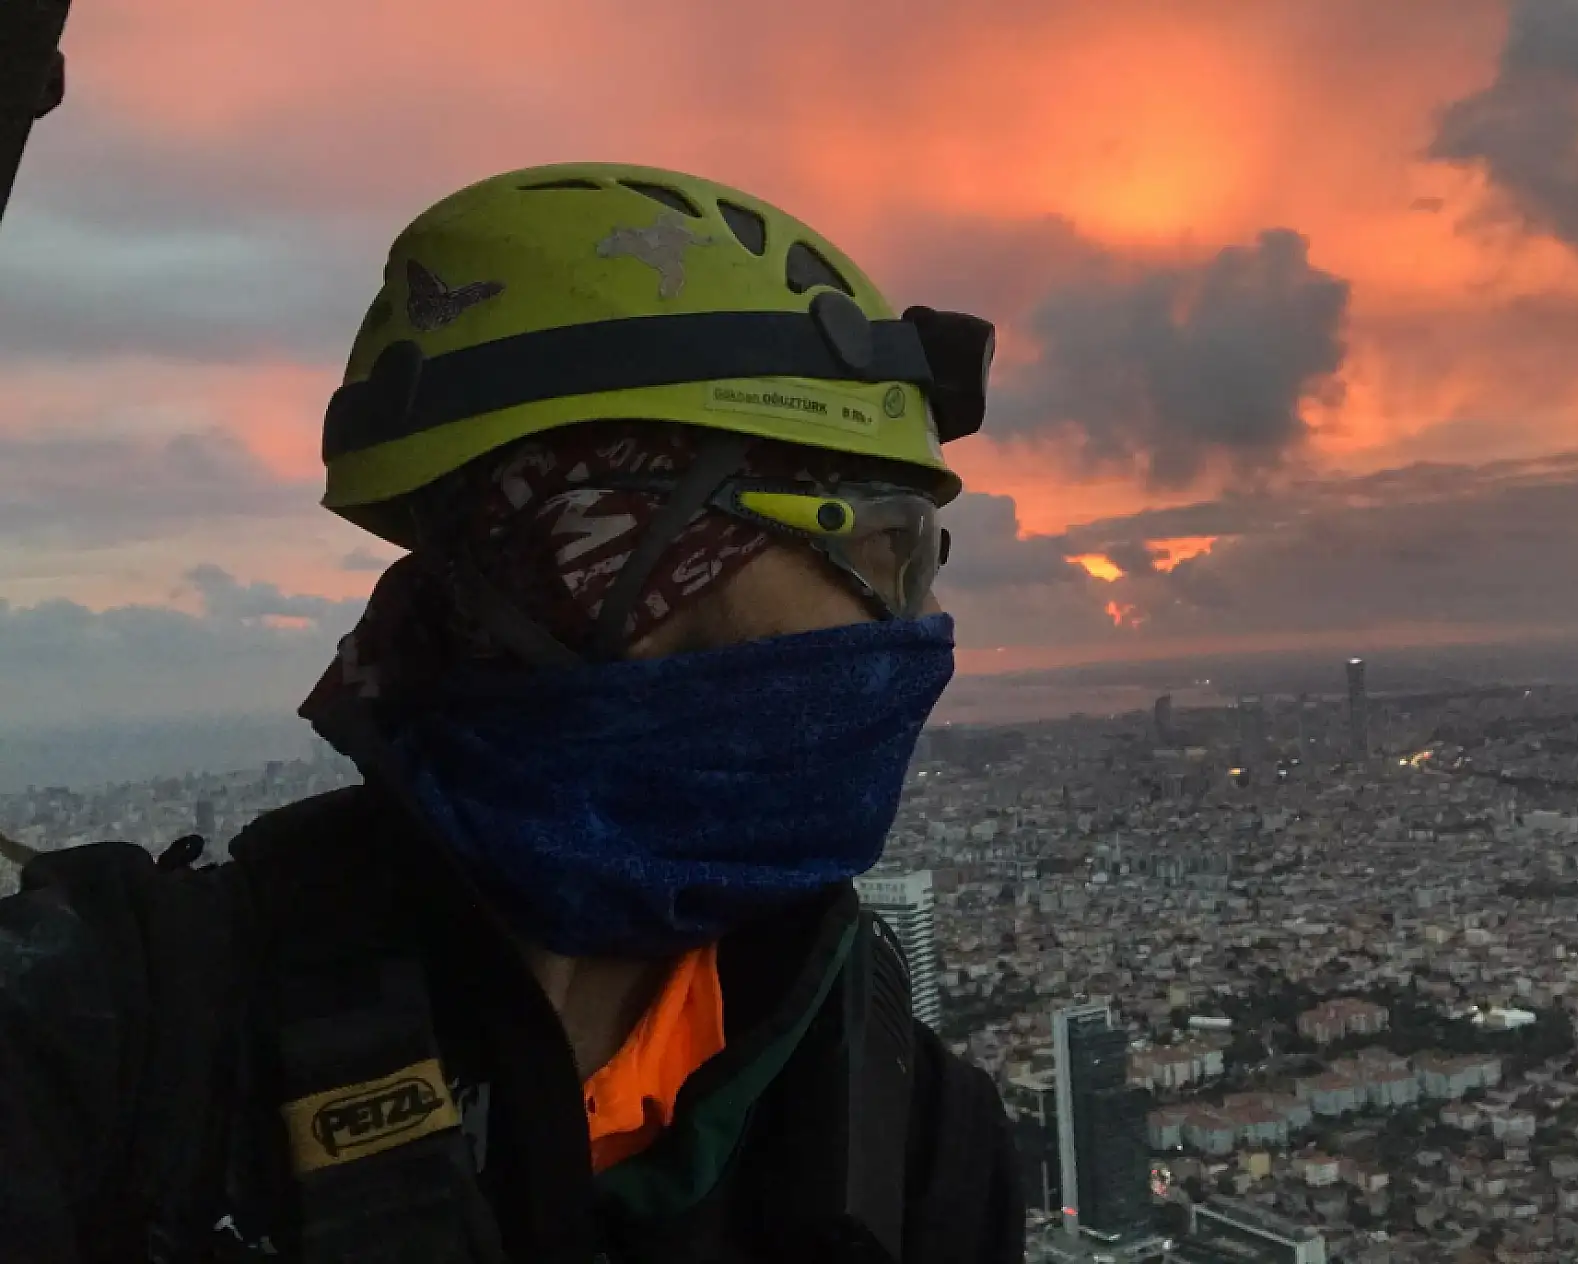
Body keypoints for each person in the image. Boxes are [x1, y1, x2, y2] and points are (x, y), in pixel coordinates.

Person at [0, 163, 1022, 1264]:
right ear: (626, 552)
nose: (915, 624)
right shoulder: (117, 1032)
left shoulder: (910, 1136)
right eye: (886, 548)